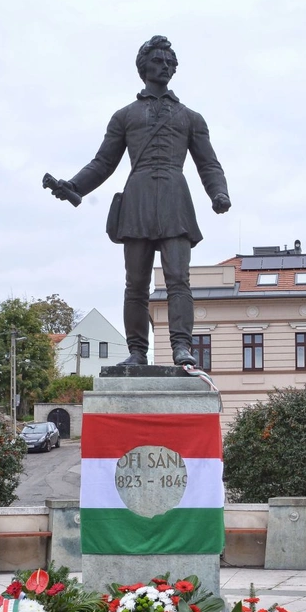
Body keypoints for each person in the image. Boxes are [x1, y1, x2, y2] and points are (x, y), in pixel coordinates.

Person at [47, 35, 230, 368]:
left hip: (175, 199)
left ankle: (181, 346)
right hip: (138, 199)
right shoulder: (125, 116)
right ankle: (137, 351)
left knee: (179, 278)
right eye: (158, 61)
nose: (165, 66)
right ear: (143, 67)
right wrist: (73, 186)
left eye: (170, 62)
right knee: (136, 283)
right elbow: (103, 162)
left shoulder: (191, 118)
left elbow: (208, 163)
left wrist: (219, 192)